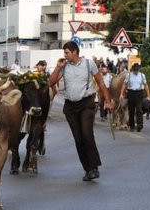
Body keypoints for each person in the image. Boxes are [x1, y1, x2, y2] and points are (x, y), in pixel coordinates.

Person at [48, 41, 113, 182]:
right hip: (70, 107)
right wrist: (57, 68)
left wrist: (108, 102)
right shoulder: (64, 66)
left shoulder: (89, 64)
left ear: (74, 52)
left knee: (87, 134)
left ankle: (94, 167)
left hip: (86, 104)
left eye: (66, 53)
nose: (64, 56)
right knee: (78, 139)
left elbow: (101, 83)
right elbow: (51, 82)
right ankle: (88, 169)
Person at [125, 63, 149, 132]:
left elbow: (146, 85)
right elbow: (125, 84)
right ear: (133, 69)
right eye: (135, 69)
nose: (136, 71)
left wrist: (148, 96)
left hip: (139, 93)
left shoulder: (142, 75)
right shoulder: (129, 75)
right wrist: (121, 94)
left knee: (139, 110)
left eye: (137, 69)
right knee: (131, 111)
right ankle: (131, 126)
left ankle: (140, 125)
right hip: (131, 93)